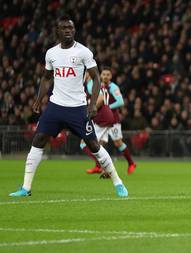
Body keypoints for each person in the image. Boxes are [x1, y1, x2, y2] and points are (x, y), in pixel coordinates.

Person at [9, 16, 128, 198]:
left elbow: (96, 78)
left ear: (74, 31)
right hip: (55, 106)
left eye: (71, 28)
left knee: (94, 145)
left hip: (77, 108)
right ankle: (26, 188)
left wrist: (92, 104)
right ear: (57, 31)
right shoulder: (51, 53)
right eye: (64, 28)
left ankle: (118, 183)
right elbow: (46, 77)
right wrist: (39, 99)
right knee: (38, 140)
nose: (68, 31)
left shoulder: (83, 52)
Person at [83, 67, 136, 175]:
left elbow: (120, 102)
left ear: (111, 76)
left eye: (108, 74)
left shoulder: (113, 87)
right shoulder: (98, 85)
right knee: (97, 143)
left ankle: (131, 163)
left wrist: (107, 107)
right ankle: (101, 167)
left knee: (117, 142)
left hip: (113, 119)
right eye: (104, 74)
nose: (105, 76)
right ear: (100, 75)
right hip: (102, 119)